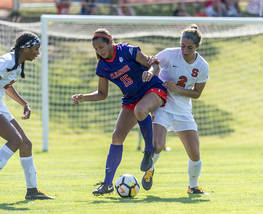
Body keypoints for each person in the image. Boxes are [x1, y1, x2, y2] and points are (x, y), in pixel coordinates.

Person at [71, 28, 167, 196]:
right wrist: (84, 97)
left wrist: (149, 72)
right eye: (96, 49)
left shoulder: (126, 50)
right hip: (131, 98)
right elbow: (102, 94)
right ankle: (107, 184)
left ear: (110, 42)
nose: (99, 52)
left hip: (152, 89)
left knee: (141, 110)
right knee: (116, 136)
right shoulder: (102, 66)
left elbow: (154, 64)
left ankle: (149, 150)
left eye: (101, 47)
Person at [0, 31, 54, 200]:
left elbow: (5, 86)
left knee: (26, 144)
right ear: (25, 48)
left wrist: (23, 103)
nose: (38, 53)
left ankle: (32, 191)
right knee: (15, 140)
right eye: (36, 49)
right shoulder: (7, 61)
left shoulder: (17, 62)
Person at [141, 24, 210, 194]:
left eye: (189, 47)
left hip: (183, 110)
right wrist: (151, 72)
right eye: (182, 45)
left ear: (197, 47)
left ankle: (193, 186)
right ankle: (150, 170)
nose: (184, 50)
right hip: (162, 105)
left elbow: (197, 93)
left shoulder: (202, 66)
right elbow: (154, 64)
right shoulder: (170, 54)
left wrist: (177, 89)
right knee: (157, 146)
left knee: (195, 153)